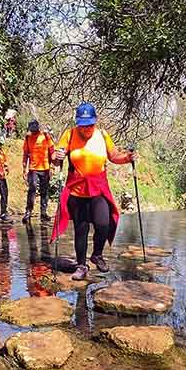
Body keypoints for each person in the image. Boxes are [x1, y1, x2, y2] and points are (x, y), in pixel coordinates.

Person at [50, 102, 137, 281]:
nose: (86, 128)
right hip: (77, 190)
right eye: (83, 125)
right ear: (77, 123)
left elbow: (114, 156)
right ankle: (81, 266)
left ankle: (97, 254)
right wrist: (56, 157)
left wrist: (128, 158)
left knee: (104, 223)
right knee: (80, 230)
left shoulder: (102, 135)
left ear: (95, 121)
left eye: (90, 124)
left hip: (98, 189)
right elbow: (57, 157)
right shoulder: (70, 134)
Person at [22, 119, 56, 224]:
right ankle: (28, 212)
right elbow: (25, 154)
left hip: (45, 168)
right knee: (32, 189)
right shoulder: (28, 138)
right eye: (31, 129)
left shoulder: (45, 136)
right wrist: (24, 169)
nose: (33, 131)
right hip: (33, 169)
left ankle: (43, 213)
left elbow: (52, 151)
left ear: (37, 127)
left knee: (44, 191)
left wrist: (53, 167)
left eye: (34, 129)